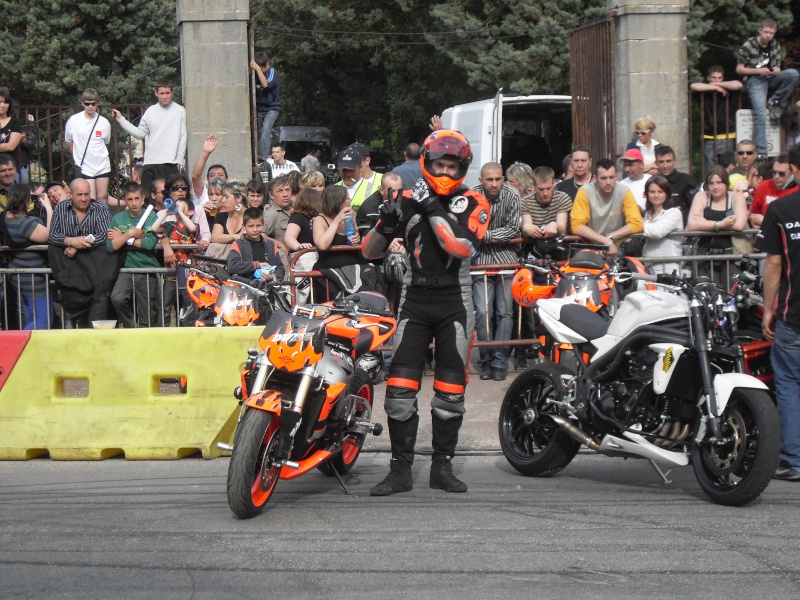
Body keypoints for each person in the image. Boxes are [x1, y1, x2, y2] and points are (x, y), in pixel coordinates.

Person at [362, 129, 490, 496]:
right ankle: (399, 469)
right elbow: (369, 252)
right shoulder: (406, 199)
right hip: (414, 299)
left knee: (450, 392)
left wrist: (431, 205)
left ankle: (442, 466)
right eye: (440, 164)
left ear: (462, 167)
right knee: (399, 391)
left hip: (455, 301)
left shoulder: (475, 201)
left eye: (453, 165)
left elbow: (461, 246)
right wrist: (386, 224)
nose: (446, 172)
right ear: (427, 163)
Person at [757, 144, 800, 482]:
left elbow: (772, 263)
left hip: (794, 314)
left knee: (788, 383)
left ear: (795, 170)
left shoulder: (782, 208)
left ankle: (793, 460)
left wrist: (768, 309)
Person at [471, 161, 521, 382]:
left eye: (498, 179)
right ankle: (485, 360)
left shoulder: (512, 195)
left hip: (507, 260)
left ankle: (500, 361)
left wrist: (485, 236)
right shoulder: (472, 196)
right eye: (489, 179)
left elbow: (513, 229)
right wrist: (481, 237)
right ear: (481, 180)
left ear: (504, 179)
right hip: (479, 261)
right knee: (483, 313)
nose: (494, 183)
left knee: (506, 312)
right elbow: (469, 229)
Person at [48, 178, 116, 324]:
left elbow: (104, 234)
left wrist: (77, 245)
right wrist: (71, 241)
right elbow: (53, 235)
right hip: (69, 270)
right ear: (69, 193)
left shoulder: (100, 208)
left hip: (95, 270)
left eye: (87, 194)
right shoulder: (60, 208)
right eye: (79, 195)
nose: (84, 198)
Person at [736, 18, 799, 164]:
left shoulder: (775, 45)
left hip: (770, 78)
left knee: (793, 74)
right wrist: (757, 70)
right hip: (755, 80)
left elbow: (777, 66)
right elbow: (739, 68)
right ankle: (762, 153)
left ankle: (775, 100)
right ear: (760, 30)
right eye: (766, 32)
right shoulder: (749, 45)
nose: (768, 35)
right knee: (761, 114)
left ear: (774, 32)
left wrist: (777, 69)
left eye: (771, 33)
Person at [112, 81, 187, 196]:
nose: (165, 96)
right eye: (162, 93)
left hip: (171, 163)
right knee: (148, 197)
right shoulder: (150, 111)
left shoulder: (180, 111)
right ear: (156, 93)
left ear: (172, 93)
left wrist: (180, 160)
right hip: (151, 162)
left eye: (167, 93)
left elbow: (183, 136)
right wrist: (121, 120)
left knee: (169, 198)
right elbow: (140, 133)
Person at [107, 182, 160, 328]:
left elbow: (149, 243)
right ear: (125, 200)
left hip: (147, 269)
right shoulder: (117, 219)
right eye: (130, 199)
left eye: (137, 198)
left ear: (143, 198)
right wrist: (130, 234)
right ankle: (132, 328)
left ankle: (145, 341)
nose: (134, 203)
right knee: (117, 298)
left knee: (147, 314)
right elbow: (111, 246)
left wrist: (123, 238)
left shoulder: (151, 216)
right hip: (126, 269)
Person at [1, 183, 53, 329]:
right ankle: (16, 344)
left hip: (21, 272)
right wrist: (48, 208)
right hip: (32, 276)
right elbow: (47, 235)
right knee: (43, 320)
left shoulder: (7, 216)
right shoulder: (24, 224)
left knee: (32, 315)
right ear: (26, 201)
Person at [570, 158, 644, 256]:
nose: (608, 182)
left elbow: (637, 223)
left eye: (611, 177)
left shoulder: (624, 191)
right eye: (604, 178)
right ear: (595, 178)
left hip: (616, 245)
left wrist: (609, 237)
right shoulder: (585, 191)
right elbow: (576, 225)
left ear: (616, 177)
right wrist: (605, 240)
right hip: (590, 246)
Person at [687, 166, 749, 283]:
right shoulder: (701, 196)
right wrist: (720, 224)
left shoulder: (736, 196)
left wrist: (704, 222)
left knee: (730, 296)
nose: (715, 187)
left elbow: (740, 224)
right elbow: (692, 224)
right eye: (711, 183)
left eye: (719, 182)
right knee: (707, 296)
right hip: (704, 255)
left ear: (726, 183)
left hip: (730, 255)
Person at [151, 194, 198, 326]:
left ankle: (187, 330)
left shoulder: (192, 225)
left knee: (187, 307)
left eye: (182, 207)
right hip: (171, 273)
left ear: (190, 212)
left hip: (187, 274)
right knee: (165, 306)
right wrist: (167, 211)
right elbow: (154, 228)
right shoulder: (169, 225)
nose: (177, 209)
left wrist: (181, 213)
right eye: (176, 207)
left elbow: (193, 229)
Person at [312, 185, 361, 302]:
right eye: (347, 198)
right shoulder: (320, 219)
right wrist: (336, 222)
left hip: (352, 271)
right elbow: (322, 245)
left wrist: (357, 238)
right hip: (328, 275)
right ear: (340, 203)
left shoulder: (351, 215)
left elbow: (353, 238)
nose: (350, 200)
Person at [690, 65, 743, 170]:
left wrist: (718, 85)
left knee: (728, 169)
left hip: (727, 136)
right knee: (711, 170)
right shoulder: (705, 92)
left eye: (719, 78)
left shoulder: (729, 90)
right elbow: (693, 86)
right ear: (708, 78)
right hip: (709, 137)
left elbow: (738, 85)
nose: (716, 80)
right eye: (714, 78)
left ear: (723, 78)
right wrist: (715, 87)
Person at [64, 88, 112, 204]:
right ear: (82, 103)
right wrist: (76, 157)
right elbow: (68, 141)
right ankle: (91, 222)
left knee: (102, 198)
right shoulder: (74, 121)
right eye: (87, 104)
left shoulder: (104, 122)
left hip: (102, 164)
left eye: (93, 103)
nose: (90, 106)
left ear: (97, 103)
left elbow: (106, 141)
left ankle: (103, 221)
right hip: (85, 165)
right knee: (90, 199)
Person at [227, 207, 285, 284]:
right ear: (244, 227)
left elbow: (280, 267)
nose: (255, 230)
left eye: (258, 226)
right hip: (246, 286)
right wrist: (257, 265)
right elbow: (232, 266)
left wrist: (275, 276)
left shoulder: (270, 244)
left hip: (267, 287)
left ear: (263, 225)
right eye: (251, 226)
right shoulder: (238, 244)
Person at [284, 187, 321, 304]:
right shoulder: (298, 217)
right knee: (298, 296)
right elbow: (289, 237)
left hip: (318, 261)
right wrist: (299, 246)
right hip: (303, 260)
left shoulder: (320, 219)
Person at [641, 176, 683, 275]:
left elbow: (657, 232)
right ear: (647, 194)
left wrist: (636, 226)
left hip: (669, 266)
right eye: (652, 192)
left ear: (667, 193)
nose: (656, 195)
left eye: (660, 192)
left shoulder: (674, 212)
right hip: (649, 266)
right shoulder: (647, 214)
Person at [750, 155, 798, 228]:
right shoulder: (764, 186)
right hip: (767, 235)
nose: (776, 176)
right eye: (774, 172)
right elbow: (753, 214)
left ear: (792, 173)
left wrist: (765, 222)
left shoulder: (797, 189)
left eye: (781, 174)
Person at [655, 145, 697, 225]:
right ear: (656, 163)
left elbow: (695, 208)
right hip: (659, 229)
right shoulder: (654, 182)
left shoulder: (686, 180)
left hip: (682, 232)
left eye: (668, 161)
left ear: (674, 161)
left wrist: (688, 232)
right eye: (661, 162)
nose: (665, 165)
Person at [250, 52, 280, 165]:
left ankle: (262, 158)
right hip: (259, 107)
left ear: (267, 65)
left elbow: (265, 84)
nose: (260, 71)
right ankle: (255, 155)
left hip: (272, 108)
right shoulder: (256, 73)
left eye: (261, 68)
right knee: (256, 132)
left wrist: (257, 69)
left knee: (266, 129)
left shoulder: (271, 72)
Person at [338, 143, 382, 211]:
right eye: (344, 170)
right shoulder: (332, 190)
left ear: (360, 167)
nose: (348, 174)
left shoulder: (375, 189)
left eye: (351, 170)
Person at [0, 89, 23, 180]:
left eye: (5, 102)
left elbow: (11, 146)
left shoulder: (15, 122)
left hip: (10, 166)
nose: (2, 105)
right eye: (0, 102)